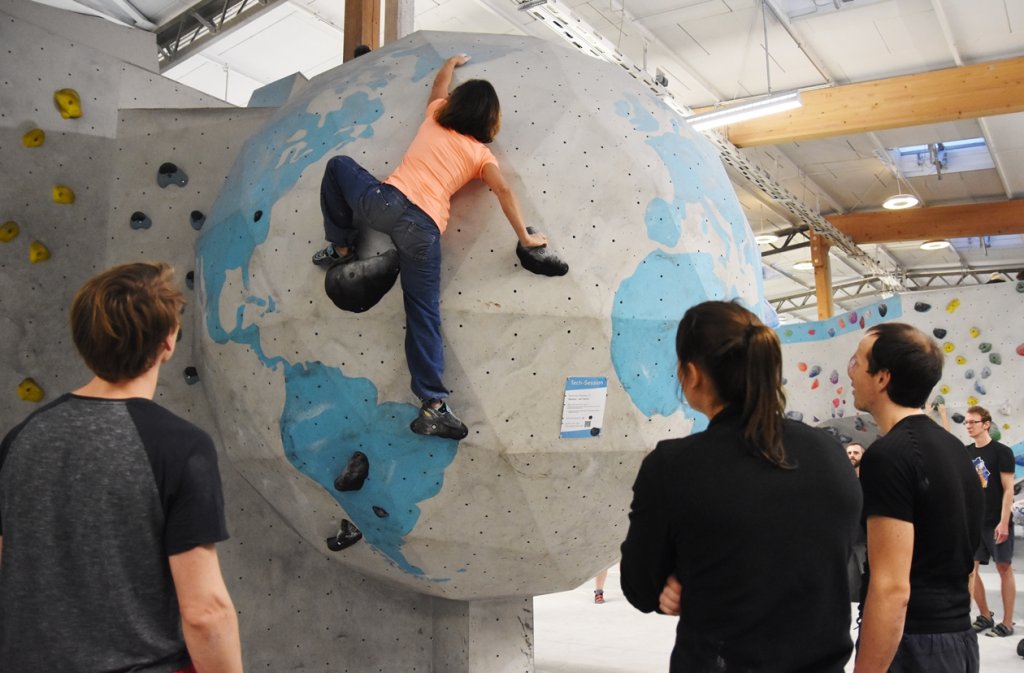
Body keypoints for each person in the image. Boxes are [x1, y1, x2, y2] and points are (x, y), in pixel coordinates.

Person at [0, 262, 243, 673]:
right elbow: (205, 611)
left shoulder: (22, 438)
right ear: (168, 342)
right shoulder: (181, 448)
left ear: (82, 339)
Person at [312, 54, 547, 440]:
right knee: (422, 312)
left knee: (338, 166)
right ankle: (433, 407)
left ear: (456, 103)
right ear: (490, 121)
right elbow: (503, 190)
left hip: (383, 203)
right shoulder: (481, 156)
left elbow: (438, 86)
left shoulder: (436, 115)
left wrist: (450, 64)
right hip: (422, 229)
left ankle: (340, 248)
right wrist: (525, 237)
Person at [620, 300, 862, 672]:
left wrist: (690, 582)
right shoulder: (829, 452)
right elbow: (822, 556)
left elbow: (639, 583)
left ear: (692, 374)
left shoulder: (674, 466)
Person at [849, 323, 983, 673]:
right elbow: (966, 567)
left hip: (912, 645)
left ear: (882, 378)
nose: (851, 372)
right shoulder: (955, 450)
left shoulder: (888, 456)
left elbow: (892, 588)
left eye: (857, 362)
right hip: (958, 638)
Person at [962, 405, 1016, 637]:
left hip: (996, 520)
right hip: (974, 522)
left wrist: (1004, 522)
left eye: (973, 422)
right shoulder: (965, 452)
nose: (968, 426)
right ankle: (985, 615)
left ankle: (1008, 622)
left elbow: (1008, 490)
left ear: (986, 424)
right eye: (966, 422)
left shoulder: (1002, 452)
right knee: (970, 570)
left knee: (1003, 567)